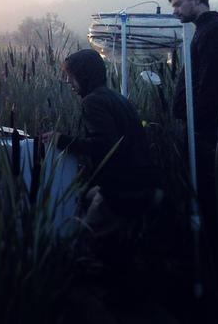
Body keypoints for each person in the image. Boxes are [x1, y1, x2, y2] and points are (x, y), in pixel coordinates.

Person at [45, 49, 157, 232]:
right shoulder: (116, 97)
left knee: (84, 239)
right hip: (142, 182)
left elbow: (104, 146)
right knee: (83, 196)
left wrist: (61, 140)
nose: (68, 82)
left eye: (71, 77)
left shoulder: (92, 102)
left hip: (121, 189)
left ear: (84, 75)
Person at [168, 0, 218, 239]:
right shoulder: (203, 30)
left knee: (207, 197)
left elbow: (215, 88)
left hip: (206, 131)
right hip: (199, 128)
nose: (174, 10)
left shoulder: (215, 32)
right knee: (197, 192)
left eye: (178, 4)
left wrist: (195, 120)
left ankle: (212, 261)